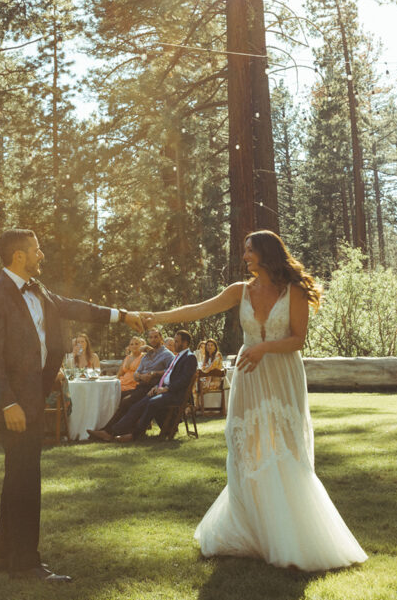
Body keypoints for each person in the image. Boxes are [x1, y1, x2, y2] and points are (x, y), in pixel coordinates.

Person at [143, 230, 367, 572]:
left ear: (265, 253)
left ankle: (291, 531)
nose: (244, 256)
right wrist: (157, 317)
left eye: (249, 250)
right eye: (244, 251)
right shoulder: (240, 291)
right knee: (245, 444)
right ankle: (253, 529)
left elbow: (297, 340)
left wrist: (262, 347)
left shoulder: (293, 291)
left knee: (285, 445)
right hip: (249, 376)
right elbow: (199, 310)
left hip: (281, 373)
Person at [0, 227, 143, 583]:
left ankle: (4, 555)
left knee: (17, 477)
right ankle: (26, 563)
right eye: (36, 250)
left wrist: (122, 314)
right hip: (16, 404)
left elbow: (77, 308)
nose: (41, 255)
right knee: (25, 480)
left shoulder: (40, 291)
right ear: (19, 256)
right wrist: (7, 405)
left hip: (34, 396)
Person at [91, 330, 197, 442]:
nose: (173, 343)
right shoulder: (178, 356)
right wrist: (157, 387)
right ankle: (112, 432)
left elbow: (184, 380)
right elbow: (168, 375)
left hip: (175, 394)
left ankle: (133, 435)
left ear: (185, 343)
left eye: (176, 341)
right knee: (137, 405)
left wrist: (165, 388)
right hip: (161, 389)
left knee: (150, 402)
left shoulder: (189, 357)